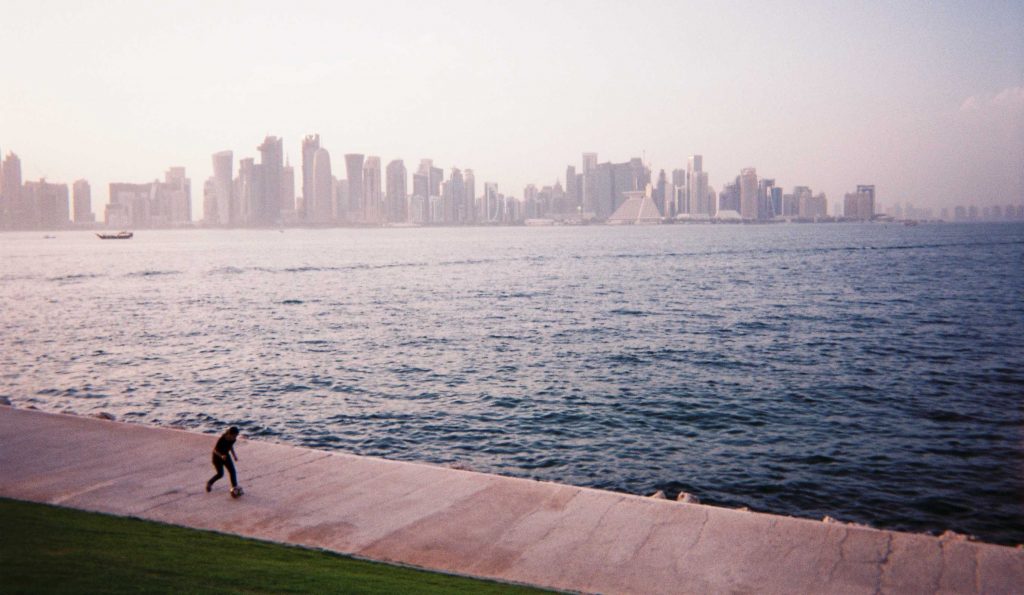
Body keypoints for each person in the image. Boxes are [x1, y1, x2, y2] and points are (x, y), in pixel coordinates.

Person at [206, 426, 240, 493]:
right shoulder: (222, 439)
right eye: (234, 436)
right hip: (217, 457)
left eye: (236, 436)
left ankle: (234, 487)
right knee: (220, 474)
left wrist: (234, 455)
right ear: (230, 434)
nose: (235, 437)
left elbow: (230, 446)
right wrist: (221, 456)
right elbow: (215, 450)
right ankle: (209, 483)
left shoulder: (233, 439)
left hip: (226, 455)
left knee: (232, 471)